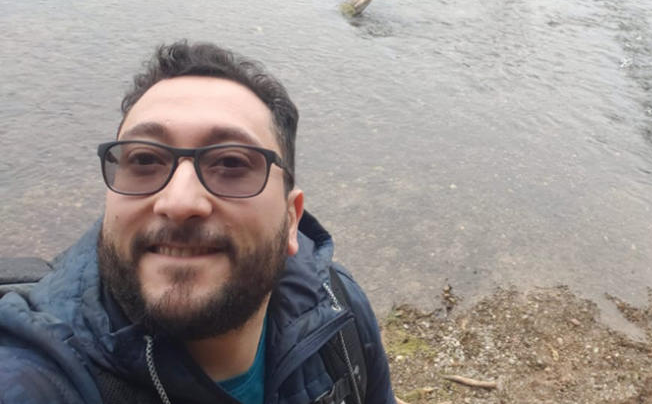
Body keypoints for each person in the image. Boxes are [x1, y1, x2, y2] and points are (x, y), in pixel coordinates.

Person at [0, 41, 396, 404]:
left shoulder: (338, 306)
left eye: (231, 162)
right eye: (144, 160)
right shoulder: (34, 379)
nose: (179, 202)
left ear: (292, 219)